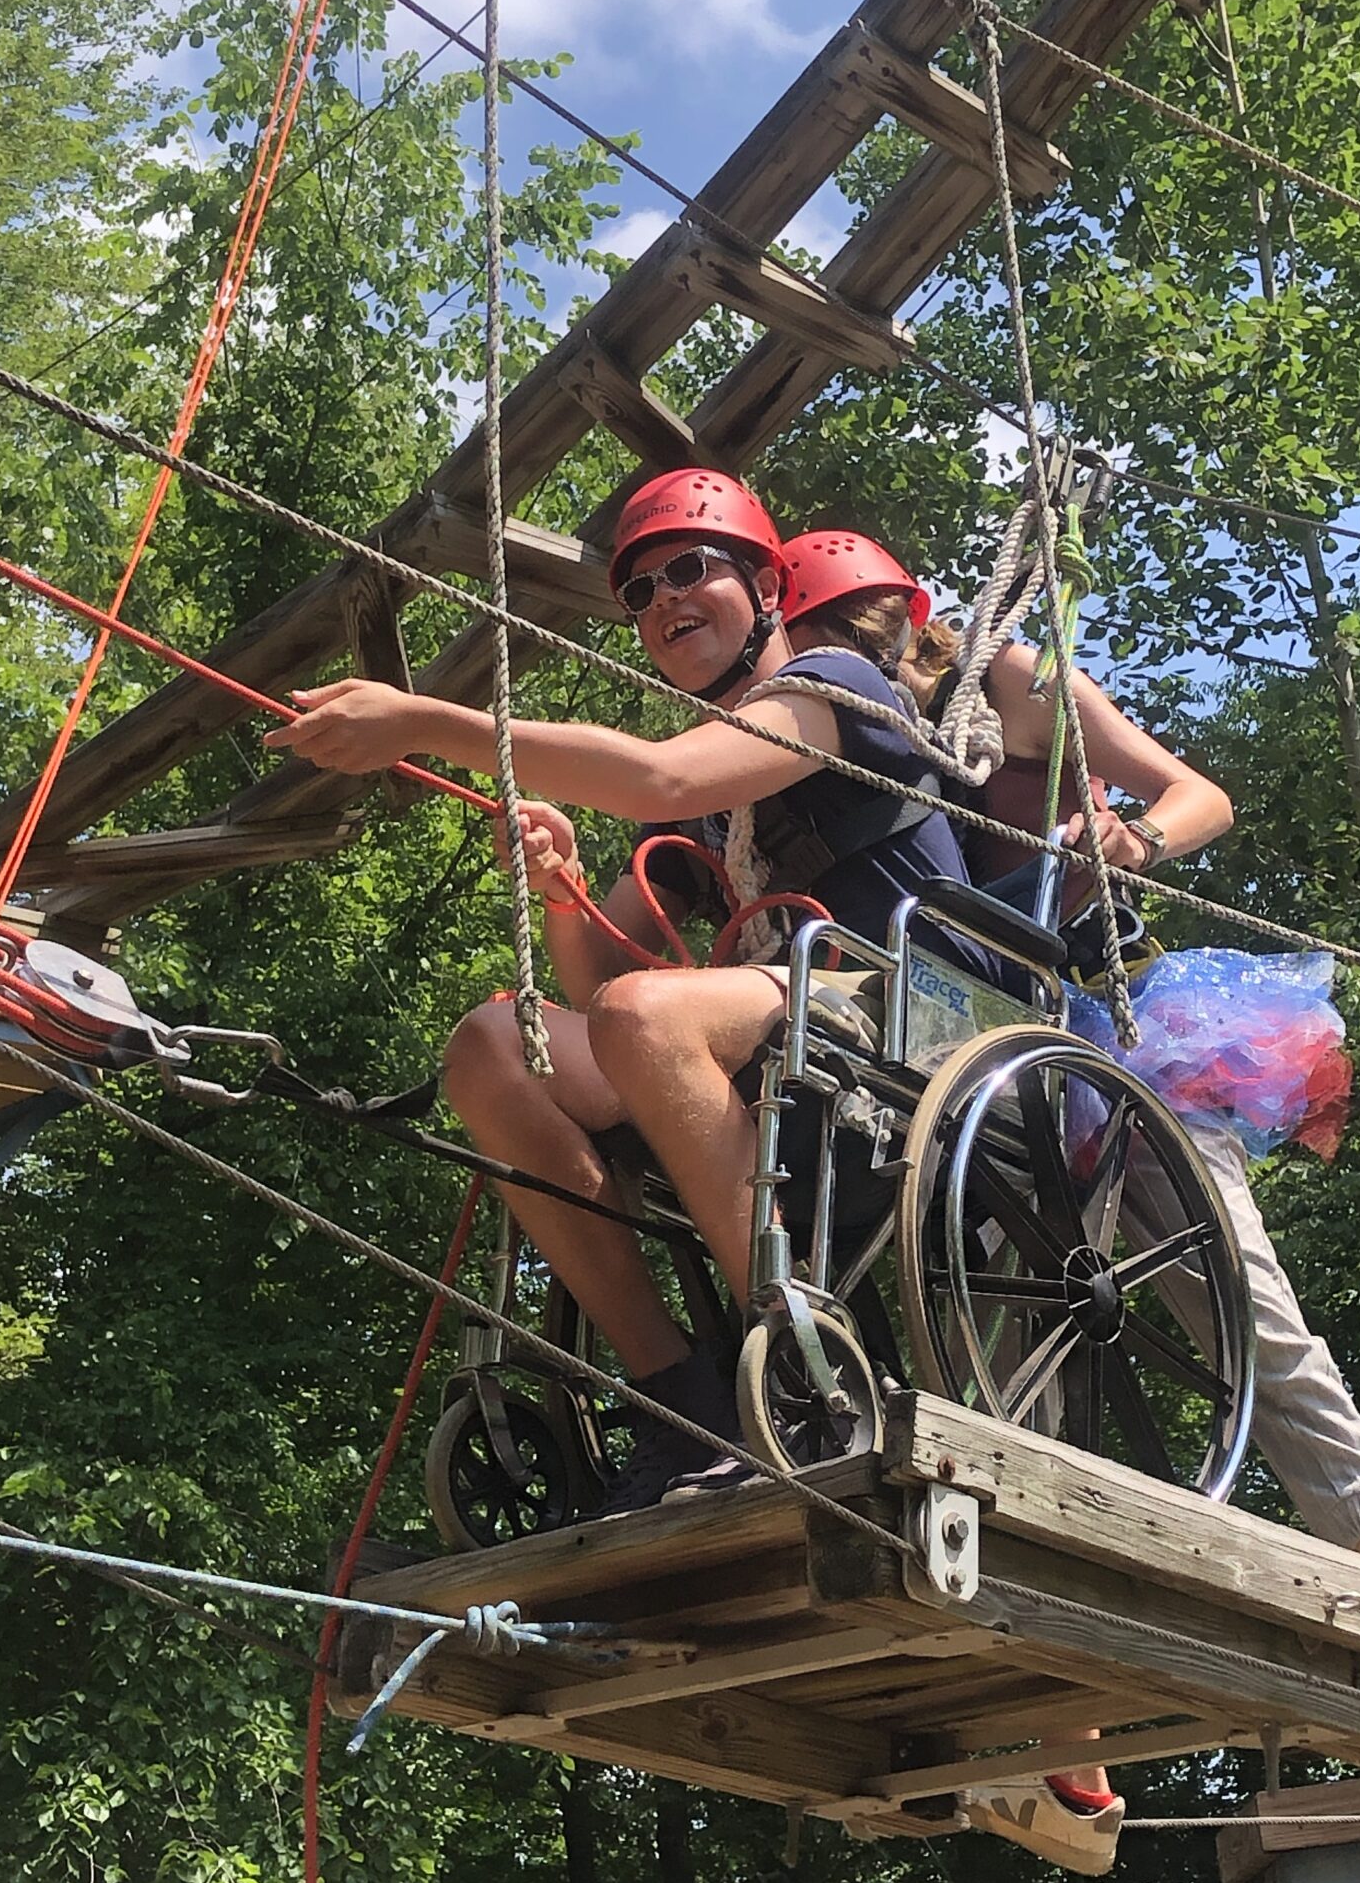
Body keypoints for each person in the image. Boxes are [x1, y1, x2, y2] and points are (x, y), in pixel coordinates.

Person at [776, 528, 1360, 1869]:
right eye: (823, 633)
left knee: (1244, 1313)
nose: (855, 648)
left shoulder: (1001, 683)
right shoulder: (850, 736)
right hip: (983, 1061)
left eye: (866, 622)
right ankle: (1059, 1756)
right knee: (1006, 1376)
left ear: (908, 617)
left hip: (1109, 1036)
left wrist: (1123, 835)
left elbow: (1196, 793)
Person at [271, 469, 997, 1515]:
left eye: (690, 569)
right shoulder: (715, 813)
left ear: (766, 588)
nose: (663, 600)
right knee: (492, 1044)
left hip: (918, 1006)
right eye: (641, 591)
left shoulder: (833, 688)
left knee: (642, 1018)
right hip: (798, 1016)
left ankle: (805, 1373)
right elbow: (601, 982)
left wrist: (429, 722)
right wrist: (563, 891)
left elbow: (660, 781)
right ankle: (681, 1397)